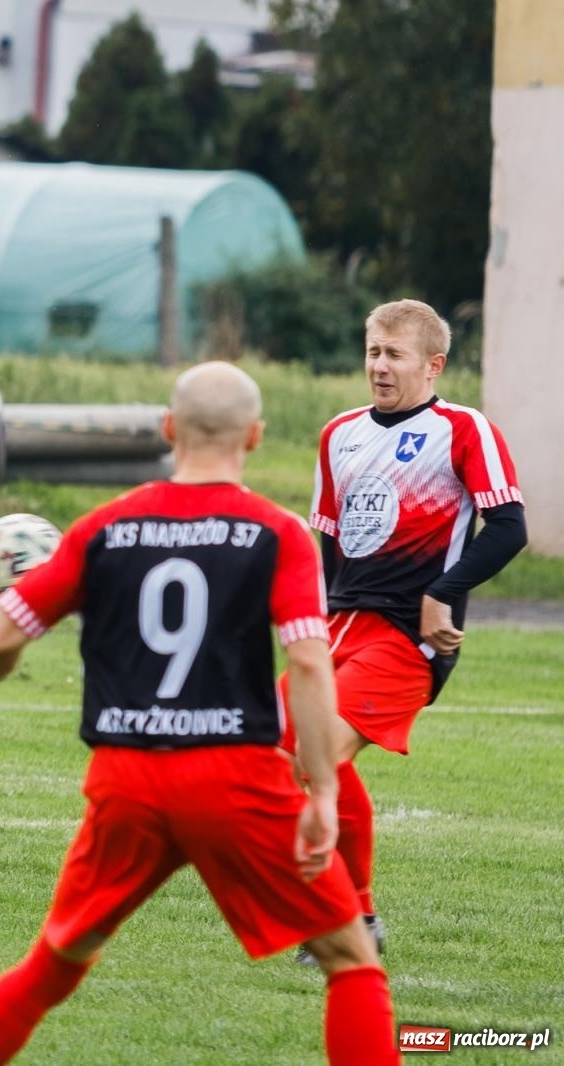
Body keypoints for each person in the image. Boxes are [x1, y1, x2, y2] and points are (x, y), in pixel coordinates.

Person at [0, 363, 398, 1066]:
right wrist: (325, 790)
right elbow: (310, 664)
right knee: (351, 958)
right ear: (254, 436)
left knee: (51, 967)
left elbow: (2, 636)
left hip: (126, 782)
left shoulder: (105, 527)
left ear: (167, 429)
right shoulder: (276, 533)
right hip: (237, 780)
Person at [284, 298, 526, 961]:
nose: (379, 366)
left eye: (394, 354)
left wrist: (442, 593)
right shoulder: (339, 434)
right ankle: (357, 917)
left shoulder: (464, 429)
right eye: (372, 352)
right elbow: (327, 543)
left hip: (406, 640)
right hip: (339, 628)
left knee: (318, 754)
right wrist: (305, 621)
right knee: (281, 752)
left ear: (432, 364)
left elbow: (509, 528)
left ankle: (344, 919)